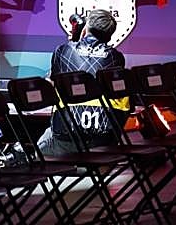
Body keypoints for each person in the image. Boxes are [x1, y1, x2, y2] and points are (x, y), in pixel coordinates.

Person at [37, 10, 128, 156]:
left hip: (66, 140)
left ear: (85, 28)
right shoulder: (116, 57)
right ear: (110, 36)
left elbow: (50, 82)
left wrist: (74, 41)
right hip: (104, 142)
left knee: (39, 149)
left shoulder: (62, 51)